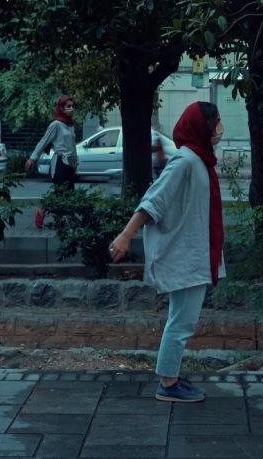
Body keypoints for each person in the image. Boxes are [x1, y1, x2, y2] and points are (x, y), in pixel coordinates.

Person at [108, 101, 225, 403]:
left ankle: (170, 377)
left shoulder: (199, 161)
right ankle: (168, 384)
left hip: (193, 254)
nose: (220, 128)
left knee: (182, 320)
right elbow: (154, 201)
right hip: (185, 256)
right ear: (201, 126)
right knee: (182, 322)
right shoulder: (185, 161)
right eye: (216, 121)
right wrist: (126, 235)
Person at [25, 96, 79, 229]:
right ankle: (45, 211)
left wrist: (76, 163)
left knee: (69, 192)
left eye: (72, 106)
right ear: (61, 108)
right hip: (60, 161)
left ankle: (59, 218)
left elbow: (73, 146)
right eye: (68, 106)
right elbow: (44, 141)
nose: (71, 109)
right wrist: (33, 158)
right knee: (60, 191)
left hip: (69, 162)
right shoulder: (56, 124)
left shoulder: (70, 125)